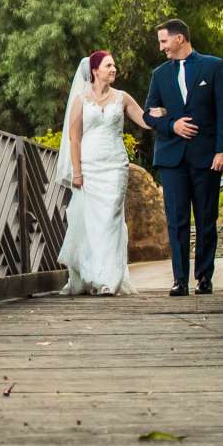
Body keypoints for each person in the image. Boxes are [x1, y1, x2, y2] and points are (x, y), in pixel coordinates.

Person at [141, 18, 223, 296]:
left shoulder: (213, 67)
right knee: (176, 220)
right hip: (171, 158)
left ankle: (204, 277)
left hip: (207, 157)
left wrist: (222, 151)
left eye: (164, 41)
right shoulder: (159, 75)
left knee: (206, 218)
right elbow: (149, 114)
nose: (161, 48)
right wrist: (172, 125)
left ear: (179, 38)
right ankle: (179, 280)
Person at [54, 49, 151, 295]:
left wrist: (163, 116)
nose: (113, 69)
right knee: (90, 222)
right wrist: (76, 171)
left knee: (111, 219)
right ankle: (92, 274)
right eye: (109, 65)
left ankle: (110, 278)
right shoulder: (81, 99)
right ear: (95, 71)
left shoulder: (123, 97)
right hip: (89, 166)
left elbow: (144, 119)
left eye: (114, 65)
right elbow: (74, 139)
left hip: (115, 166)